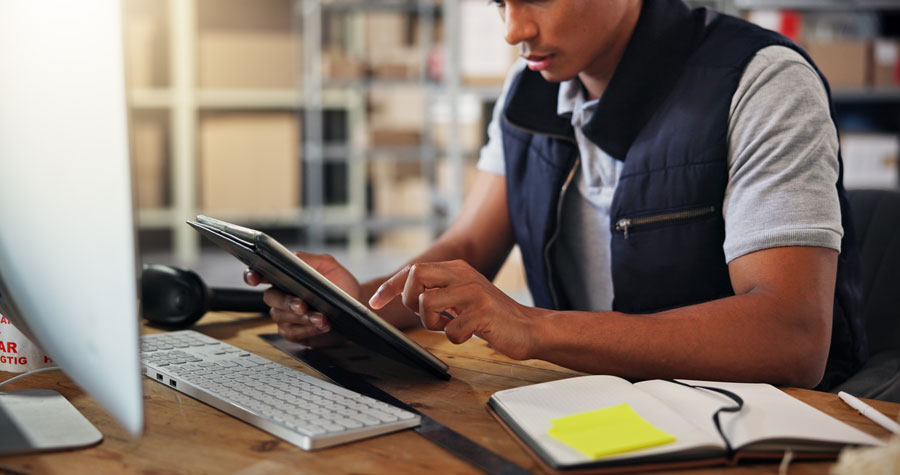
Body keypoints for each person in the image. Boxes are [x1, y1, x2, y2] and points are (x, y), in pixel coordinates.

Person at [245, 0, 866, 390]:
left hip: (753, 425)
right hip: (603, 400)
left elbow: (792, 338)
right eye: (497, 1)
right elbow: (467, 245)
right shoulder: (530, 89)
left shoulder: (763, 83)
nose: (515, 27)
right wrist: (352, 309)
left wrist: (535, 327)